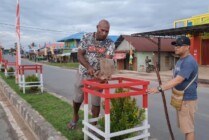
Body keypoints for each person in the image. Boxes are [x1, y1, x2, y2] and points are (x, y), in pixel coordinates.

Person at [147, 36, 198, 140]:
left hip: (187, 99)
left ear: (187, 47)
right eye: (175, 45)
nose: (176, 47)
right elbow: (173, 79)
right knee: (185, 128)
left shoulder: (189, 61)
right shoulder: (180, 60)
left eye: (179, 45)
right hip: (181, 99)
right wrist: (163, 84)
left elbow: (178, 80)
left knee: (188, 129)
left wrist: (159, 88)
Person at [67, 19, 115, 130]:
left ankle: (93, 126)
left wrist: (104, 75)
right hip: (83, 72)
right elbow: (79, 55)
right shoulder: (86, 37)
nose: (104, 33)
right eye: (102, 30)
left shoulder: (110, 43)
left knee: (96, 101)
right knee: (78, 97)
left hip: (97, 76)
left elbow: (108, 61)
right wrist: (88, 67)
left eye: (107, 31)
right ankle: (75, 116)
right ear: (97, 27)